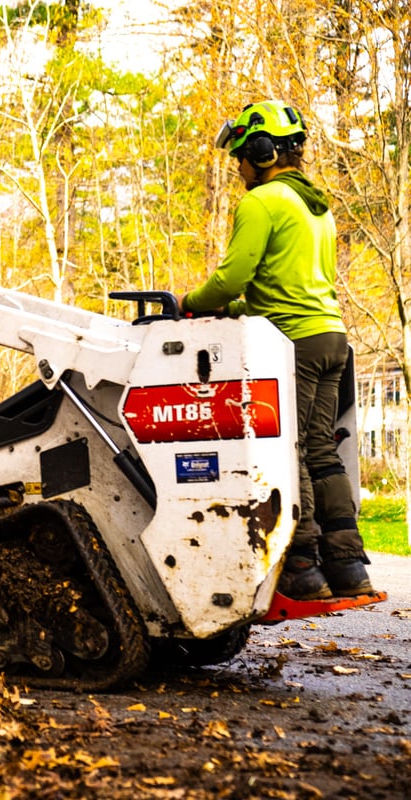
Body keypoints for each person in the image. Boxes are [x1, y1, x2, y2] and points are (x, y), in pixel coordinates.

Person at [180, 99, 373, 600]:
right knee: (321, 450)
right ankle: (348, 564)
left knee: (290, 452)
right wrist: (249, 306)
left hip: (295, 344)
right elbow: (289, 283)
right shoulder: (316, 207)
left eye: (242, 156)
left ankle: (303, 565)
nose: (239, 168)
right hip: (330, 335)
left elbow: (230, 278)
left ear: (264, 153)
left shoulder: (262, 201)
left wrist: (190, 304)